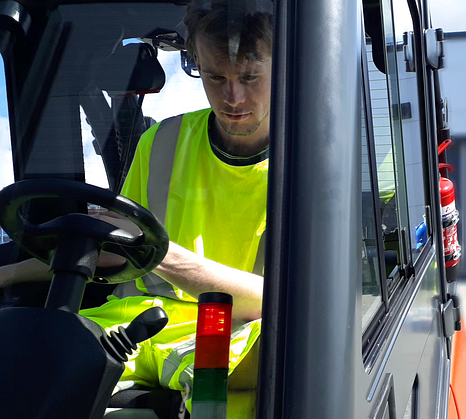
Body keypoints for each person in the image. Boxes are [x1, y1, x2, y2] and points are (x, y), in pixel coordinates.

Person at [0, 0, 272, 416]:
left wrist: (164, 255)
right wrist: (6, 275)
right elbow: (112, 248)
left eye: (250, 77)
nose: (232, 96)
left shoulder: (305, 168)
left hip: (227, 338)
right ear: (194, 60)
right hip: (131, 329)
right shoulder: (161, 142)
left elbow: (282, 302)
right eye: (215, 76)